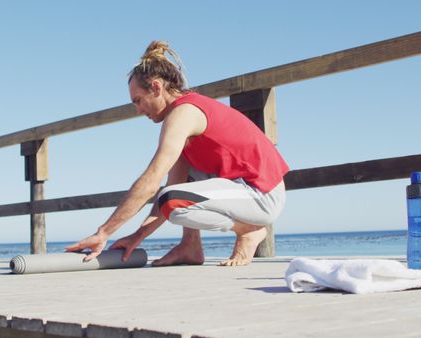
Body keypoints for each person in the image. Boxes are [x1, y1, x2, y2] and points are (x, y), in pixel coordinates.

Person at [66, 41, 289, 266]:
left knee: (170, 198)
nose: (138, 110)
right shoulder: (182, 118)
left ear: (156, 87)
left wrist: (103, 233)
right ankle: (190, 245)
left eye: (138, 101)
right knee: (175, 191)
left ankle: (249, 230)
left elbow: (152, 183)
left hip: (262, 194)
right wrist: (137, 237)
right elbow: (173, 185)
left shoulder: (184, 114)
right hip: (241, 190)